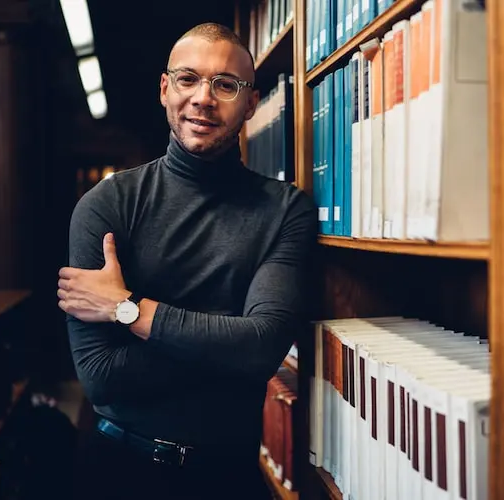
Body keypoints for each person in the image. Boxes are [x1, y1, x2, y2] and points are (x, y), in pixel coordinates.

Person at [58, 22, 317, 500]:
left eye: (225, 84)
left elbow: (260, 349)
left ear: (251, 103)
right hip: (116, 473)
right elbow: (101, 377)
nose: (203, 98)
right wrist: (226, 339)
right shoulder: (106, 205)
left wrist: (126, 308)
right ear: (165, 89)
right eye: (188, 78)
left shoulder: (286, 210)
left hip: (230, 477)